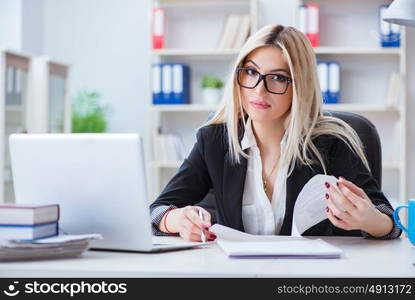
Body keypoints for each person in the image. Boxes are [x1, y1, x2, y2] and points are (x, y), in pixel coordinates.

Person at [149, 24, 401, 242]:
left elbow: (388, 219)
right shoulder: (214, 141)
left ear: (300, 86)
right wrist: (176, 219)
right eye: (250, 72)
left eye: (278, 78)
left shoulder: (331, 143)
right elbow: (156, 211)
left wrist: (371, 221)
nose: (259, 90)